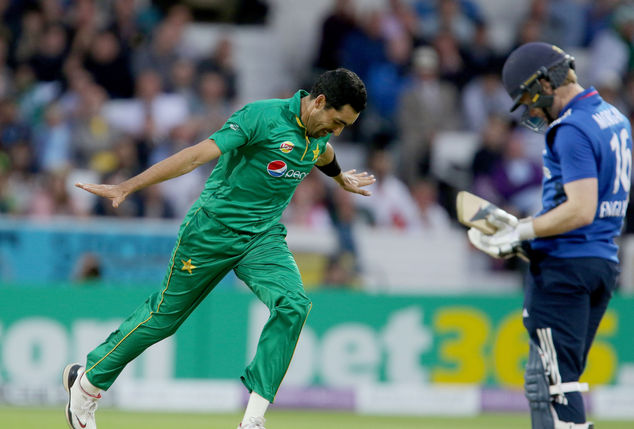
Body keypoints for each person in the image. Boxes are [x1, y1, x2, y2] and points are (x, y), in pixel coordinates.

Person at [63, 68, 373, 429]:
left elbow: (324, 152)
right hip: (211, 232)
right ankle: (87, 382)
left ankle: (253, 419)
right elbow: (196, 156)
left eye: (345, 126)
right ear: (318, 102)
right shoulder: (261, 117)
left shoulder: (318, 134)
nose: (337, 131)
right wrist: (127, 187)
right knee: (163, 319)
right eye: (336, 121)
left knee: (294, 305)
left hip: (262, 238)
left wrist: (341, 178)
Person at [468, 42, 631, 428]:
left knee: (555, 388)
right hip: (601, 261)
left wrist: (521, 229)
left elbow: (579, 208)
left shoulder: (571, 127)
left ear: (545, 81)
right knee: (554, 381)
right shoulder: (613, 116)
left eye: (529, 97)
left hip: (565, 268)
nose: (531, 110)